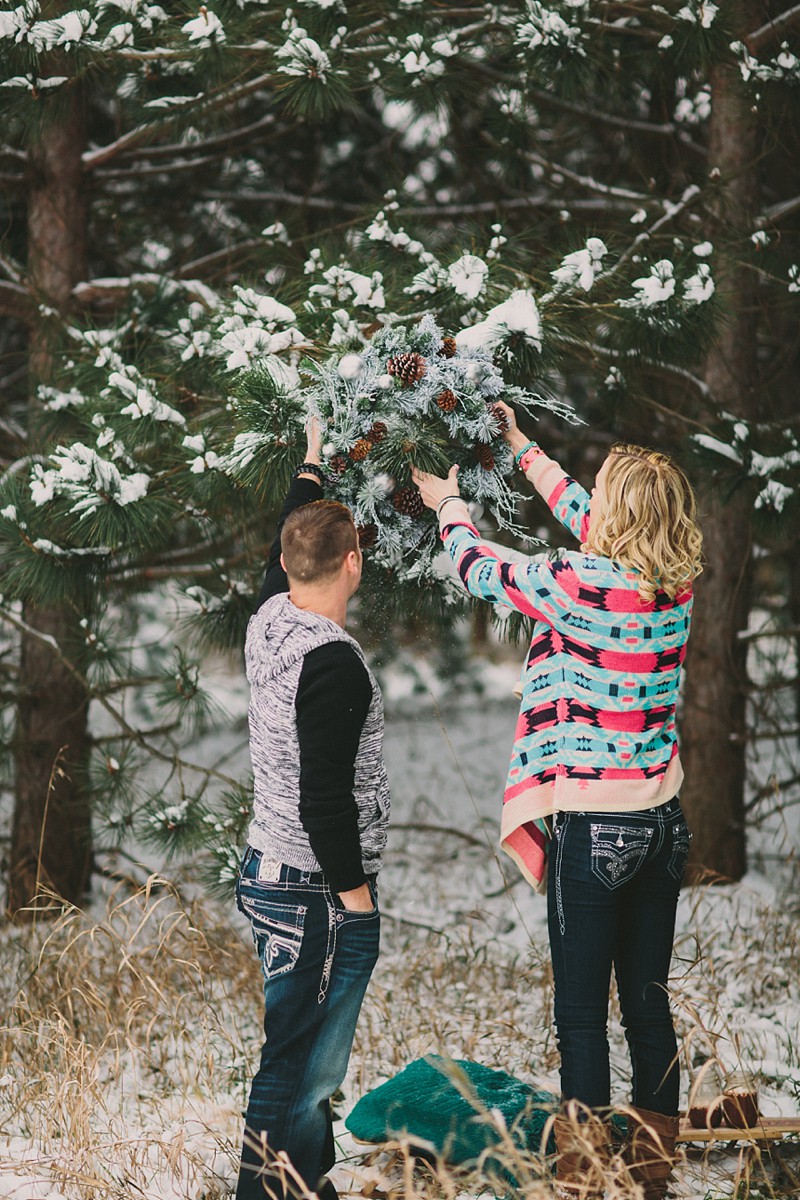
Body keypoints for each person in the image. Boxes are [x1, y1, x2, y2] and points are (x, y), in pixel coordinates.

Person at [412, 403, 703, 1200]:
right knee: (647, 1010)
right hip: (661, 824)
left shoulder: (576, 585)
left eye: (606, 490)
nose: (593, 500)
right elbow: (595, 517)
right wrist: (520, 447)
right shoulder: (672, 584)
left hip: (595, 830)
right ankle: (653, 1177)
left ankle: (582, 1183)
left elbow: (481, 569)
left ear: (622, 516)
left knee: (580, 1016)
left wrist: (449, 506)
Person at [235, 420, 390, 1200]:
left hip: (266, 867)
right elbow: (323, 797)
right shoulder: (335, 664)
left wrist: (311, 454)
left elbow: (280, 542)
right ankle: (263, 1190)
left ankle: (302, 1182)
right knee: (297, 1065)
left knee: (304, 1059)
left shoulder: (270, 614)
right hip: (310, 889)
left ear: (292, 565)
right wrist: (356, 902)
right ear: (353, 561)